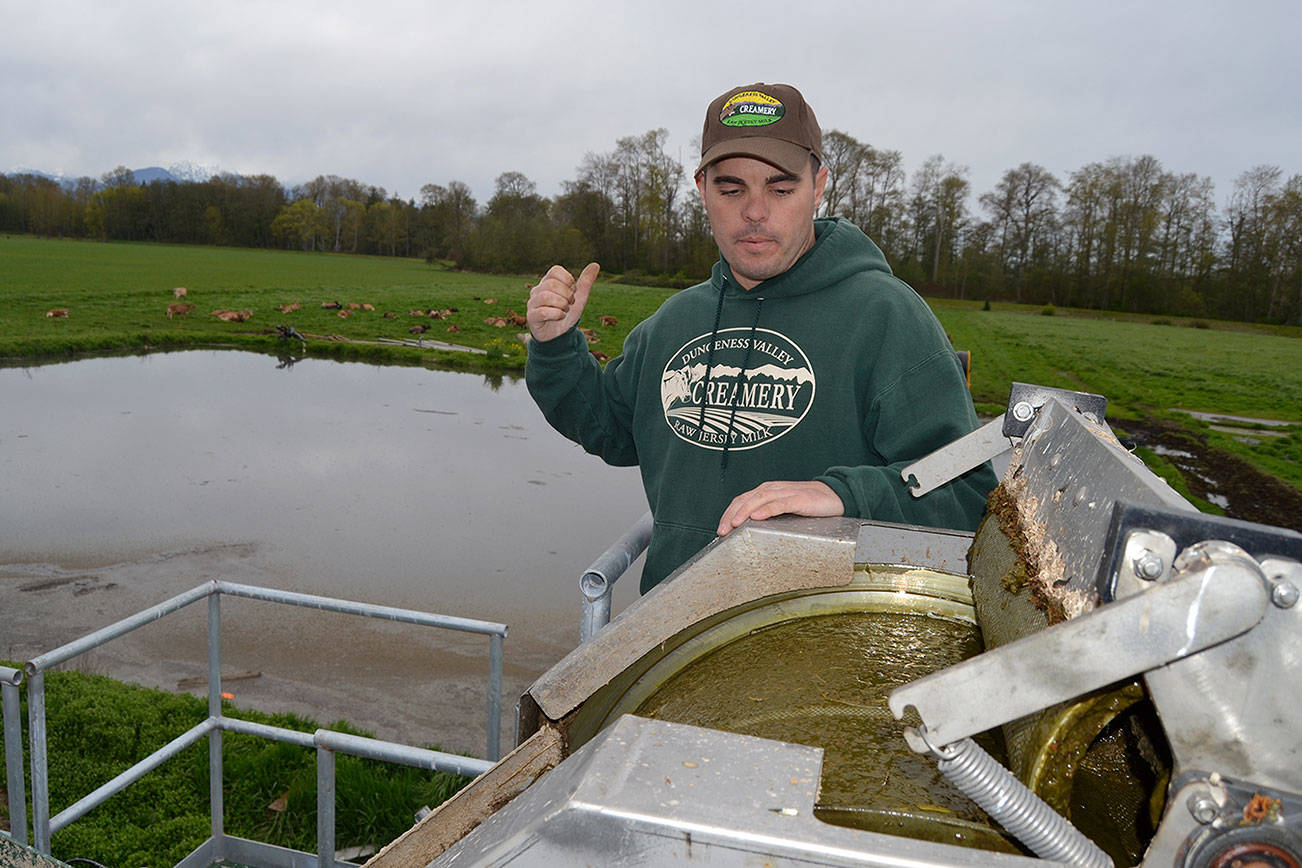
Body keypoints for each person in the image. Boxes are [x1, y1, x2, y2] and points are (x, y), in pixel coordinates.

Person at [526, 82, 996, 593]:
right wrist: (555, 347)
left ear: (818, 187)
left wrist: (843, 496)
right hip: (671, 639)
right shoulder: (674, 322)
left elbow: (969, 498)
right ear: (702, 189)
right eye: (732, 190)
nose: (754, 211)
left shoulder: (886, 317)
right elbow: (609, 429)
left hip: (815, 645)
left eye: (780, 188)